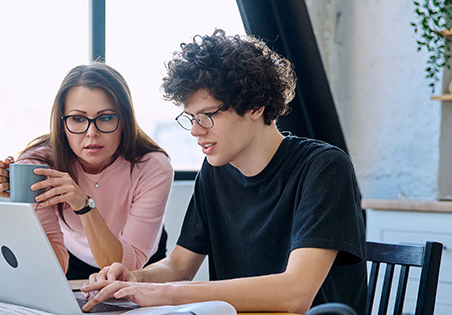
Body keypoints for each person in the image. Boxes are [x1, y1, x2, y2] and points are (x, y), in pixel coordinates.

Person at [81, 29, 367, 314]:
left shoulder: (323, 167)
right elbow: (179, 265)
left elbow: (295, 293)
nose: (195, 130)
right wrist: (136, 278)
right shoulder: (215, 172)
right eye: (191, 118)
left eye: (207, 116)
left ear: (255, 106)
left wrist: (165, 293)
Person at [0, 63, 174, 280]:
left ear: (125, 121)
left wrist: (83, 204)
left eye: (105, 118)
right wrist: (23, 204)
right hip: (72, 258)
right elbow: (51, 267)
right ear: (62, 122)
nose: (91, 133)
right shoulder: (39, 163)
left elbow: (126, 266)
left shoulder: (153, 166)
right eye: (78, 119)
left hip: (138, 261)